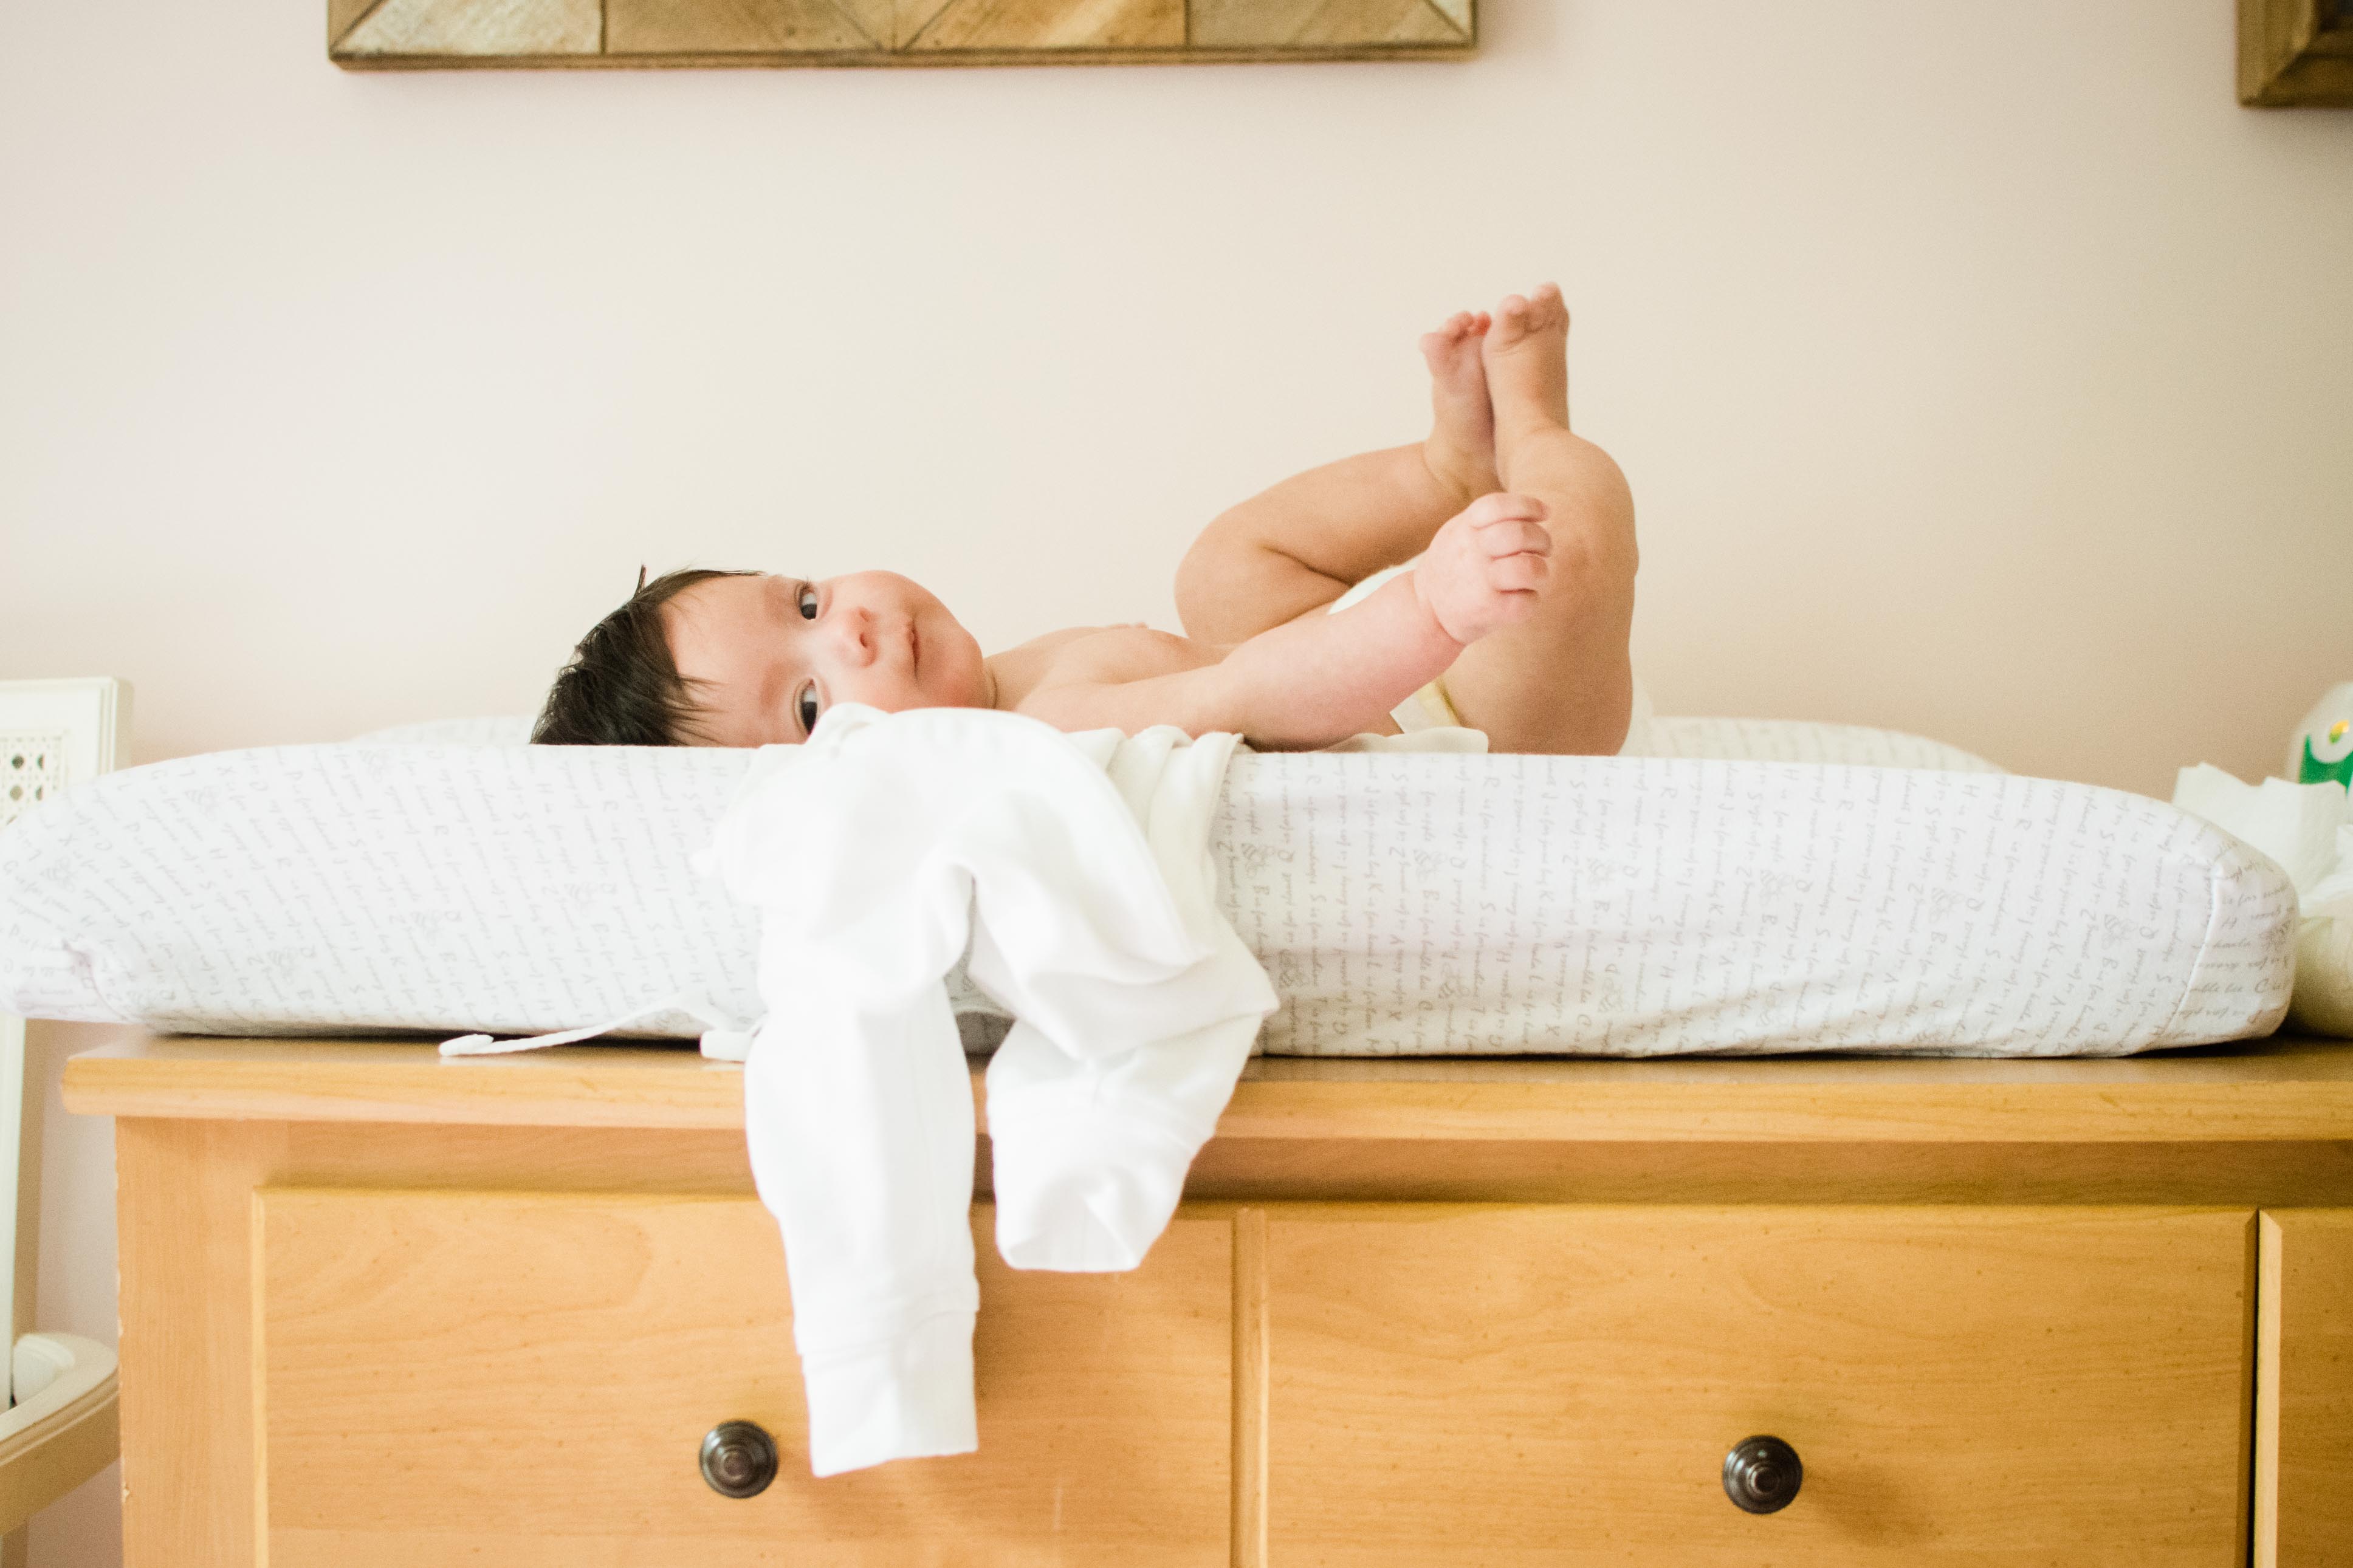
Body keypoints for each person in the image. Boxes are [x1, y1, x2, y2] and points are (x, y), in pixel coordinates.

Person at [531, 284, 1637, 756]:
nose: (850, 633)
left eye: (809, 604)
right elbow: (1247, 695)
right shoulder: (1040, 738)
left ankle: (1449, 465)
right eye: (813, 703)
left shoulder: (1008, 678)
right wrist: (1432, 607)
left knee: (1220, 570)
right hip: (1471, 739)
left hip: (1373, 681)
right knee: (1566, 550)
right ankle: (1535, 425)